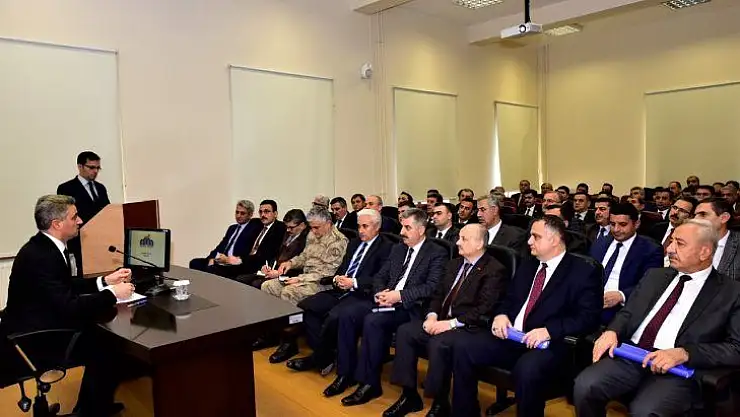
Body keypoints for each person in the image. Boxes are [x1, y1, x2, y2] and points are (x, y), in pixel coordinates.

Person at [574, 219, 740, 417]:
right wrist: (612, 331)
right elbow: (628, 313)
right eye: (671, 241)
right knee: (585, 386)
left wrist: (686, 353)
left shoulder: (731, 292)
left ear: (704, 252)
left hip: (678, 367)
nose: (669, 249)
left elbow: (735, 348)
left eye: (680, 243)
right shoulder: (655, 276)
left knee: (645, 411)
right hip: (633, 354)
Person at [448, 215, 603, 417]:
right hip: (512, 336)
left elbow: (588, 317)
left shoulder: (582, 271)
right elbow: (509, 298)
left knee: (527, 369)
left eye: (535, 237)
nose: (529, 241)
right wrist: (501, 315)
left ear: (554, 240)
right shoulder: (529, 264)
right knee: (463, 347)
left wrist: (549, 330)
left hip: (549, 344)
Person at [0, 195, 134, 417]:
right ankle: (92, 411)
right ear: (57, 224)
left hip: (29, 325)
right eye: (74, 217)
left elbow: (64, 285)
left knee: (101, 336)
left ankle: (92, 407)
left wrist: (104, 281)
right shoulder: (43, 256)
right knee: (107, 346)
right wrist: (113, 294)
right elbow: (69, 306)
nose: (80, 221)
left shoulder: (43, 247)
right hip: (34, 338)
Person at [384, 224, 509, 417]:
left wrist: (450, 324)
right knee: (406, 332)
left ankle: (439, 402)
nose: (457, 242)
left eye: (464, 239)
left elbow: (484, 308)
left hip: (467, 327)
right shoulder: (454, 264)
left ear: (479, 244)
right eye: (458, 237)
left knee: (439, 343)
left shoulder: (494, 269)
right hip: (441, 320)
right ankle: (409, 395)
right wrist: (432, 316)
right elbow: (438, 295)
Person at [324, 208, 446, 405]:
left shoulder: (436, 252)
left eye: (407, 228)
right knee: (347, 314)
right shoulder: (398, 249)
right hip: (387, 300)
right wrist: (380, 293)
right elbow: (380, 276)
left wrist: (399, 295)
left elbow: (432, 287)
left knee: (373, 321)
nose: (402, 232)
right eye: (402, 227)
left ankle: (370, 383)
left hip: (411, 307)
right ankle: (345, 374)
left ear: (421, 230)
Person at [286, 209, 393, 374]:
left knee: (334, 316)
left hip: (362, 294)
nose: (361, 230)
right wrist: (337, 278)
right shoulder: (354, 243)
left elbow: (382, 278)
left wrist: (354, 282)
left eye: (365, 226)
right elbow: (343, 268)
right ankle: (326, 355)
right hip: (340, 290)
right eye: (359, 226)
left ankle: (319, 358)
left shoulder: (387, 247)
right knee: (306, 307)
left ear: (377, 226)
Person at [589, 203, 663, 324]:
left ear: (636, 224)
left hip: (622, 308)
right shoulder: (601, 242)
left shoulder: (650, 250)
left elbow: (650, 285)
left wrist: (622, 295)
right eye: (612, 224)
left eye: (623, 224)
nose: (616, 229)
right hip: (589, 301)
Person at [56, 151, 111, 275]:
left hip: (101, 241)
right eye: (91, 167)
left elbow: (107, 212)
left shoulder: (100, 188)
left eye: (98, 168)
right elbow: (66, 216)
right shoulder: (66, 188)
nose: (95, 171)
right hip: (79, 242)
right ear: (80, 166)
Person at [189, 200, 258, 271]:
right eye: (237, 212)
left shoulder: (253, 228)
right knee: (194, 263)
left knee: (212, 269)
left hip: (233, 264)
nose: (238, 216)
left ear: (250, 215)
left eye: (242, 213)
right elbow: (220, 246)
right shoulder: (232, 228)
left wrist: (228, 259)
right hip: (220, 260)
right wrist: (211, 258)